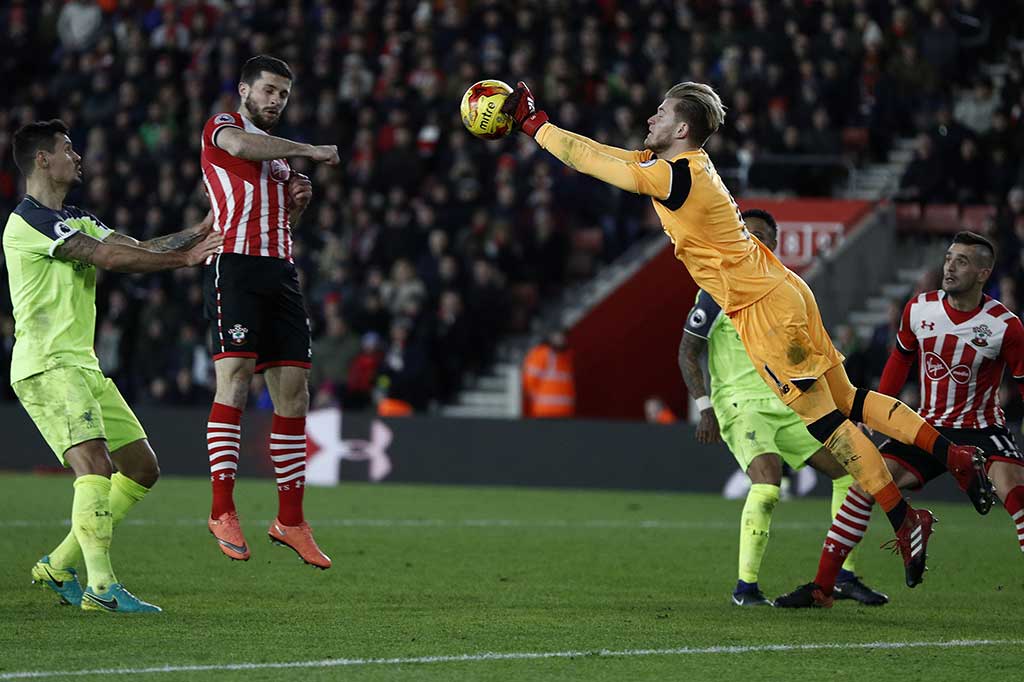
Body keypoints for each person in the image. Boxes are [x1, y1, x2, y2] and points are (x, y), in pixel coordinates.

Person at [498, 80, 990, 590]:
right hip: (783, 288)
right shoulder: (685, 169)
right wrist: (542, 120)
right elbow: (609, 155)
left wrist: (535, 127)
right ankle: (956, 458)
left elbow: (592, 163)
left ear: (683, 128)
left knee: (828, 424)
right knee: (849, 398)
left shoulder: (677, 177)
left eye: (661, 113)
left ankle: (905, 519)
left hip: (761, 309)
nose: (651, 119)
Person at [6, 119, 222, 612]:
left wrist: (200, 231)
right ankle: (100, 588)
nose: (77, 156)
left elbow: (136, 247)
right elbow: (108, 258)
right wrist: (186, 261)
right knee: (95, 464)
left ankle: (59, 564)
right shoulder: (28, 223)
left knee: (142, 468)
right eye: (67, 149)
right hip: (46, 363)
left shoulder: (75, 216)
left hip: (81, 364)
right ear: (43, 160)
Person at [776, 232, 1024, 607]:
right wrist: (877, 412)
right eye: (948, 258)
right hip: (927, 427)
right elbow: (899, 359)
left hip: (983, 429)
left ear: (983, 272)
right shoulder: (919, 309)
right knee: (866, 486)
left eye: (962, 261)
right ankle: (822, 588)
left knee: (1017, 496)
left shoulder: (1006, 325)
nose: (950, 266)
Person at [680, 208, 887, 607]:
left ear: (774, 246)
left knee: (851, 474)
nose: (753, 241)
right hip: (741, 404)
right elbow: (687, 351)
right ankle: (746, 588)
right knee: (768, 483)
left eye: (762, 236)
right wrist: (704, 406)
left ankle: (843, 576)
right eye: (747, 233)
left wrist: (845, 411)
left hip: (788, 401)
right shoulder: (717, 288)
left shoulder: (788, 291)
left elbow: (815, 356)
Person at [200, 55, 340, 568]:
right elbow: (240, 148)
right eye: (268, 90)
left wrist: (297, 205)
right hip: (235, 268)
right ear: (244, 90)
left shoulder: (279, 165)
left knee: (294, 394)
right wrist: (309, 150)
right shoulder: (224, 127)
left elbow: (278, 222)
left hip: (281, 272)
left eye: (282, 93)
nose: (275, 100)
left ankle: (291, 520)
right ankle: (221, 510)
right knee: (234, 381)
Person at [521, 328, 576, 419]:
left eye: (563, 336)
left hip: (566, 412)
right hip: (545, 412)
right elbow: (529, 381)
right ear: (550, 337)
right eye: (557, 336)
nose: (561, 339)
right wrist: (537, 398)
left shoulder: (567, 356)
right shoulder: (541, 354)